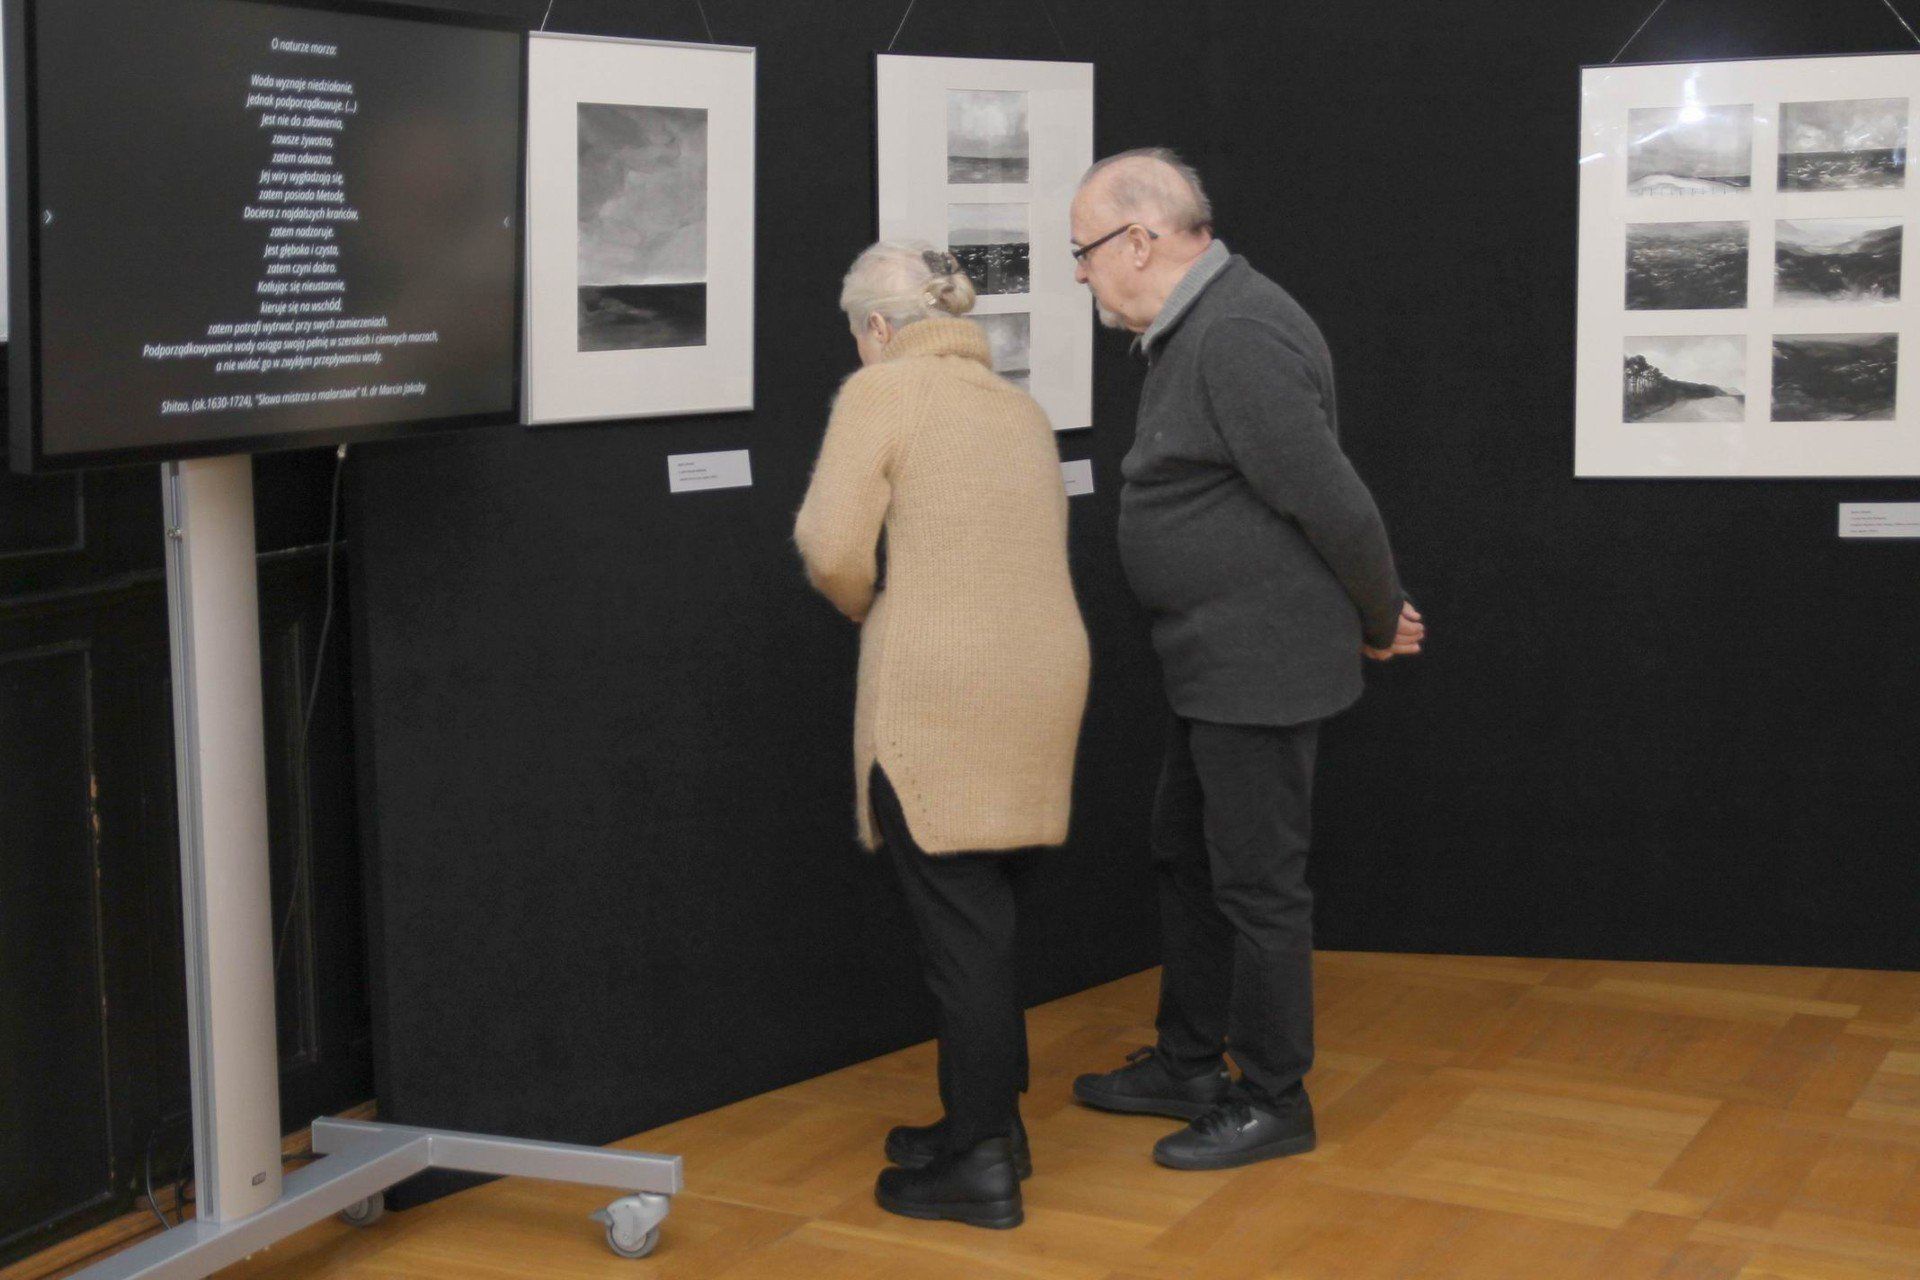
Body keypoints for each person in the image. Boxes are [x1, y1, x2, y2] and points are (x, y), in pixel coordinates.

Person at [1065, 149, 1425, 1171]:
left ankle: (1274, 1095)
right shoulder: (1202, 325)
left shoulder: (1237, 333)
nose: (1082, 274)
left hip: (1257, 660)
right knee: (1186, 851)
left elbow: (1333, 499)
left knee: (1259, 883)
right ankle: (1189, 1059)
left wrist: (1377, 609)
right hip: (1212, 657)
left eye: (1084, 252)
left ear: (1140, 240)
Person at [794, 240, 1091, 1229]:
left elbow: (831, 543)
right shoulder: (1020, 408)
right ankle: (990, 1122)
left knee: (957, 930)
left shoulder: (883, 391)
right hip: (1042, 673)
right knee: (987, 912)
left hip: (941, 681)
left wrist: (864, 602)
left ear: (879, 327)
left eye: (855, 332)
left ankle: (975, 1164)